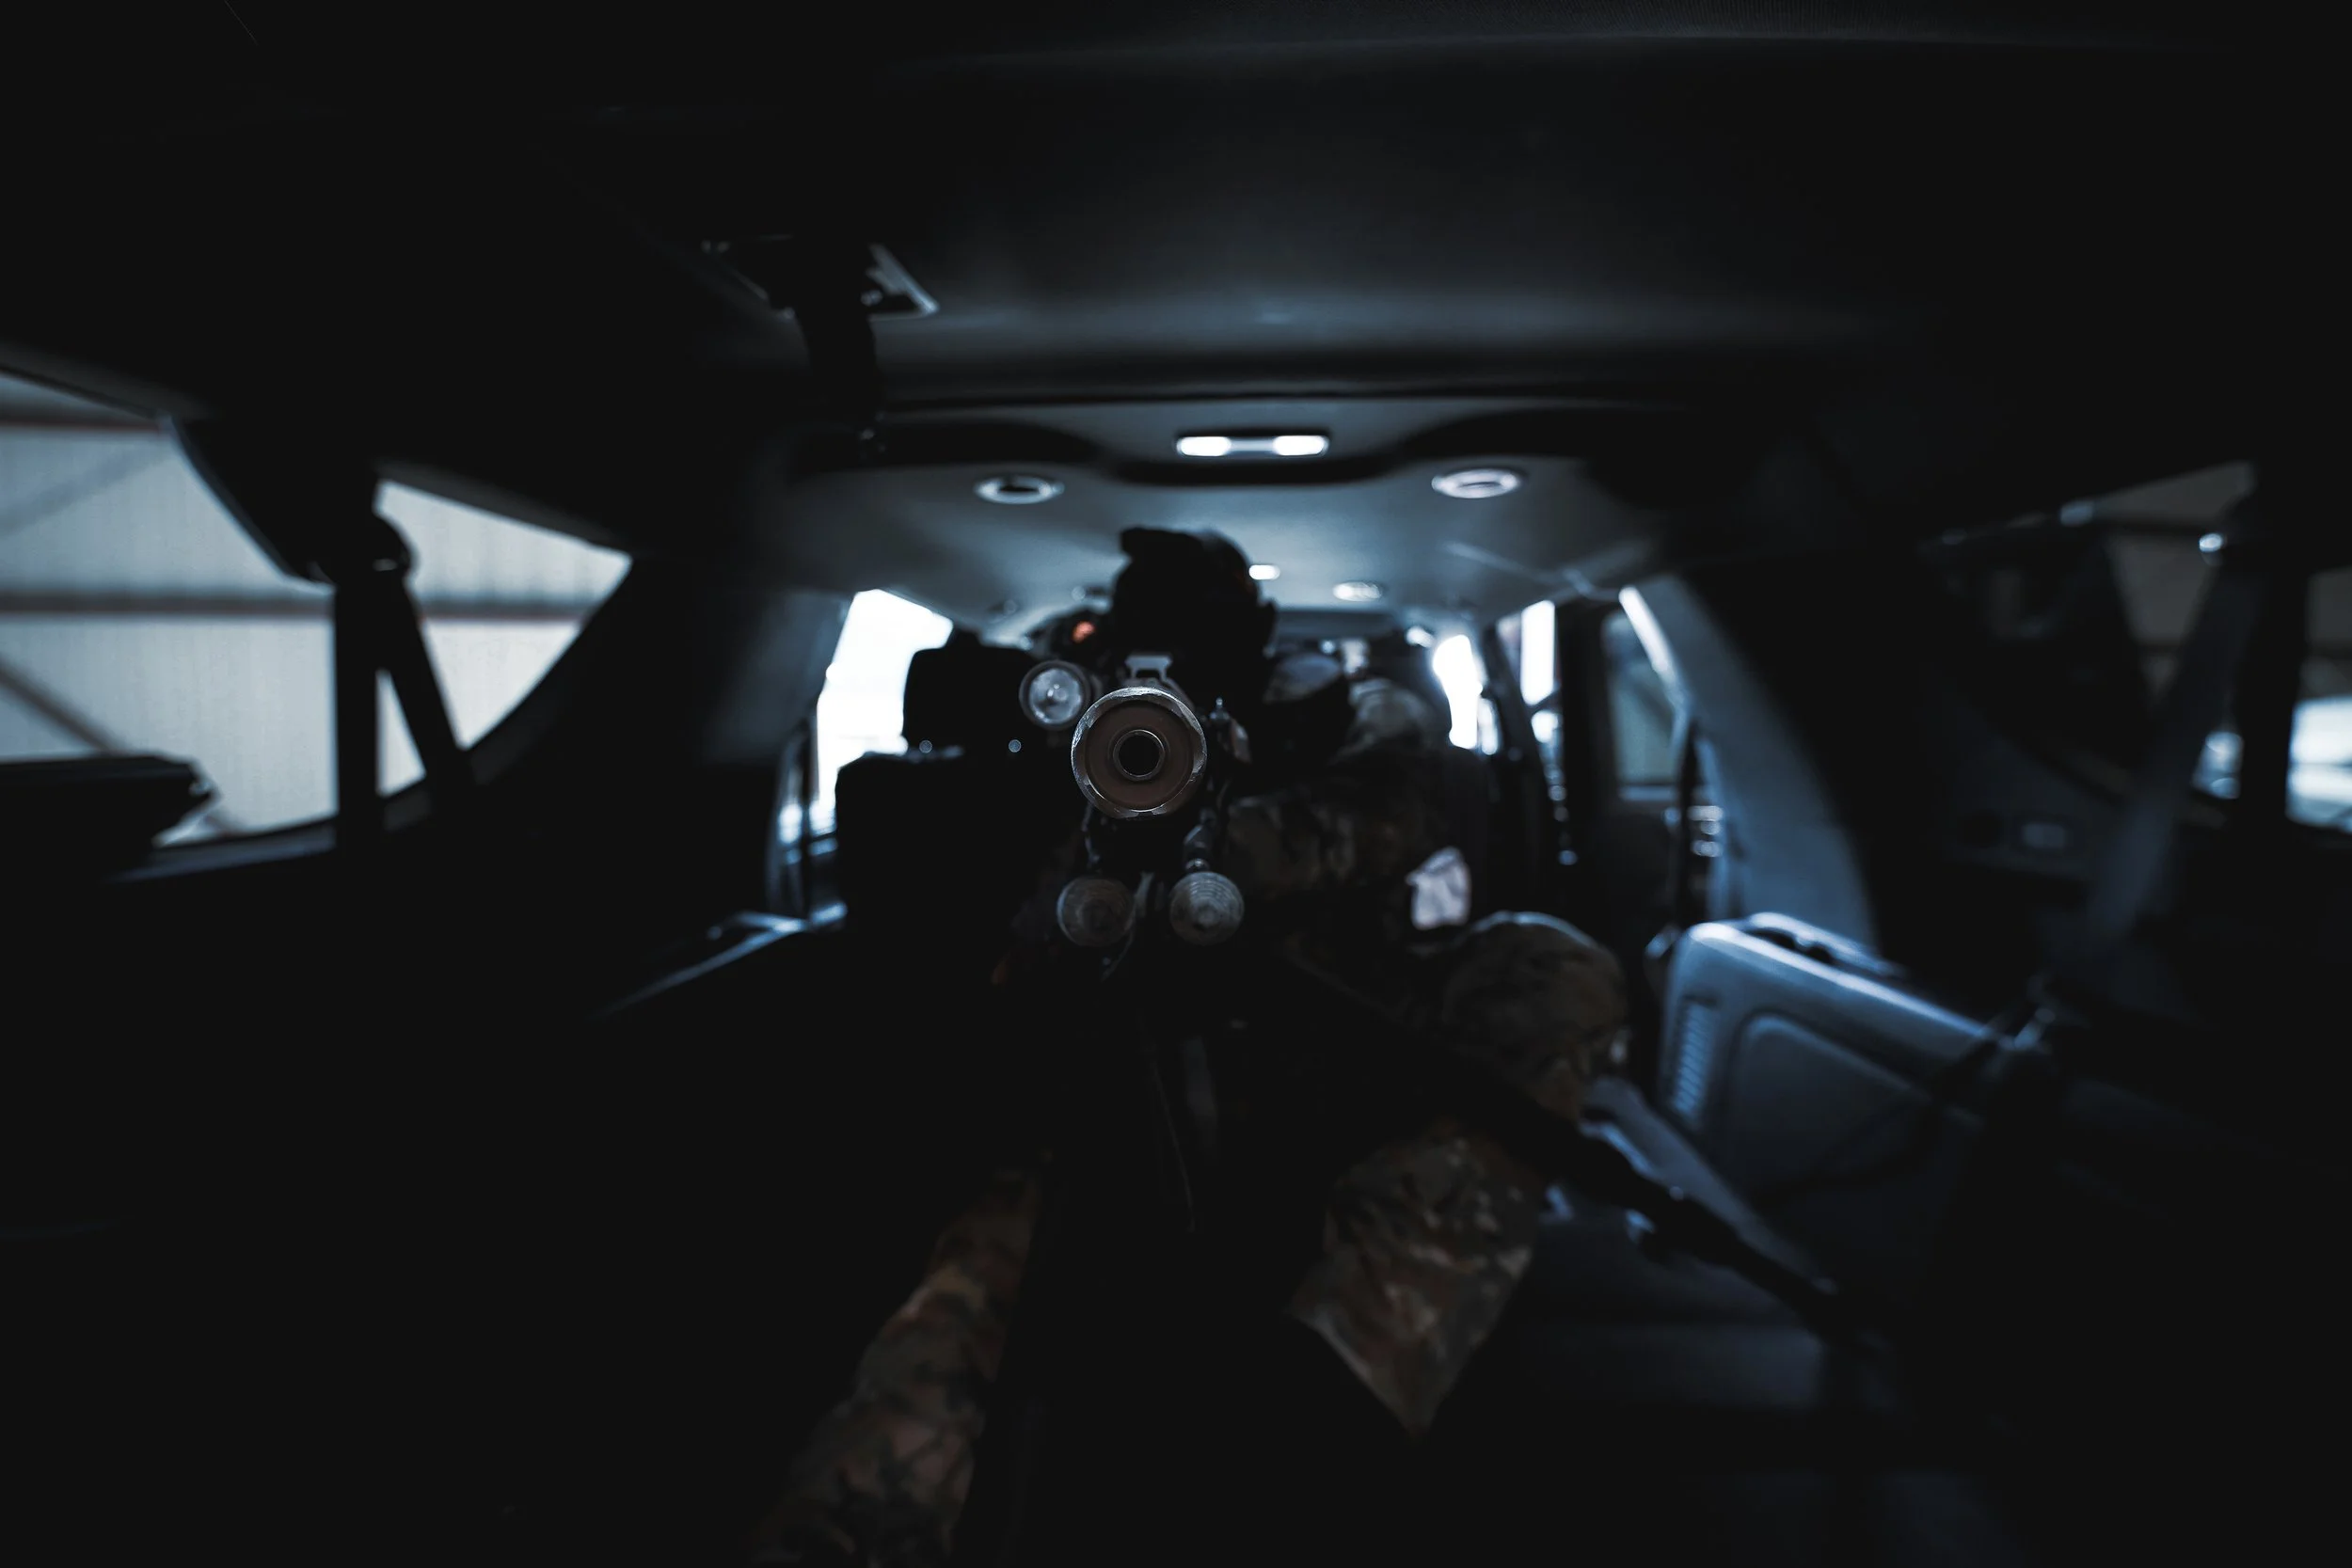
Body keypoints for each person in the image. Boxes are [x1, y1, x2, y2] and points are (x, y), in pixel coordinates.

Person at [749, 531, 1627, 1567]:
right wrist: (1077, 841)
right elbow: (1010, 967)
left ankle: (1346, 1375)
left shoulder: (1344, 711)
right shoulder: (1069, 729)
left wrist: (1219, 845)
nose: (1170, 651)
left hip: (1343, 1050)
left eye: (1198, 620)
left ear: (1257, 630)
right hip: (1113, 1083)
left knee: (1552, 965)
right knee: (954, 1329)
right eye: (1148, 619)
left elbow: (1403, 798)